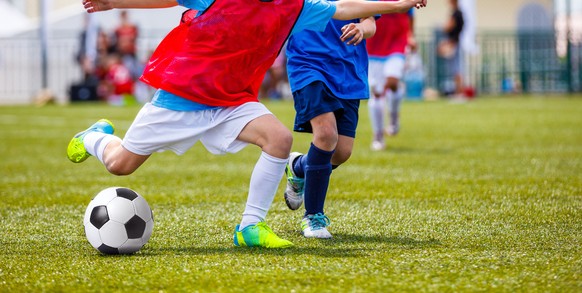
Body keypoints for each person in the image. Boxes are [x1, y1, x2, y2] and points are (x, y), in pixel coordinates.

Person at [71, 0, 428, 248]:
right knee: (120, 165)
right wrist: (113, 4)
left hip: (232, 99)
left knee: (278, 138)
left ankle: (250, 226)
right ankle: (94, 138)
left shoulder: (294, 6)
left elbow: (344, 8)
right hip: (183, 94)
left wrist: (398, 6)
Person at [283, 10, 377, 239]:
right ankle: (313, 216)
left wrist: (361, 29)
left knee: (342, 152)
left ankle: (298, 166)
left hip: (348, 72)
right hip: (308, 65)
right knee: (326, 135)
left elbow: (370, 21)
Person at [366, 5, 416, 151]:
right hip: (373, 46)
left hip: (397, 43)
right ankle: (378, 135)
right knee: (377, 93)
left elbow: (410, 13)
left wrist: (411, 36)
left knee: (393, 81)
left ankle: (393, 118)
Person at [438, 0, 464, 98]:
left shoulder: (456, 14)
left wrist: (443, 26)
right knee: (456, 68)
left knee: (456, 69)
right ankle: (458, 92)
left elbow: (448, 27)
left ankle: (459, 92)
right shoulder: (459, 13)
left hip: (453, 44)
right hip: (455, 42)